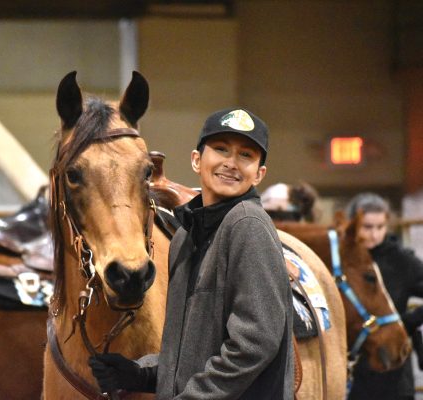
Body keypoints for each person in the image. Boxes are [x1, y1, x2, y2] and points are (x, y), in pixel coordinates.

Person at [89, 108, 294, 399]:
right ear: (197, 160)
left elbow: (253, 345)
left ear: (259, 174)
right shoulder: (185, 236)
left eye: (245, 155)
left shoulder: (247, 224)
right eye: (221, 149)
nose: (231, 163)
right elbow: (186, 353)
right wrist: (140, 373)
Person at [345, 192, 423, 400]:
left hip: (393, 365)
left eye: (380, 227)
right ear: (354, 224)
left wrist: (406, 322)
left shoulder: (401, 260)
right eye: (367, 227)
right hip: (355, 362)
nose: (374, 234)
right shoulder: (344, 259)